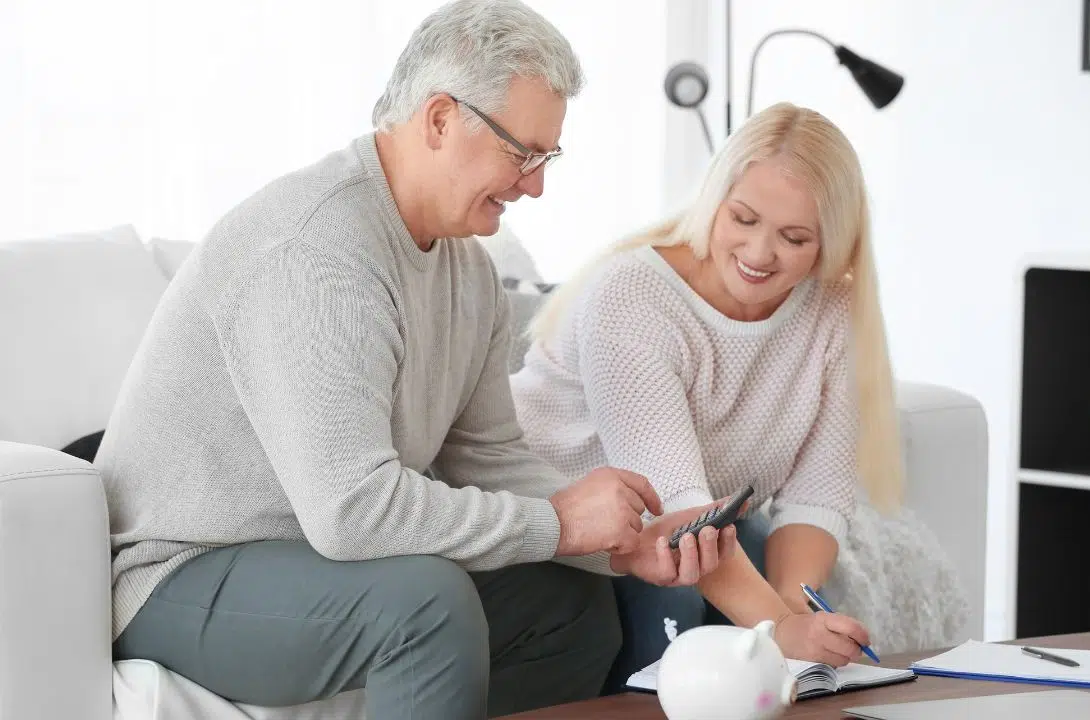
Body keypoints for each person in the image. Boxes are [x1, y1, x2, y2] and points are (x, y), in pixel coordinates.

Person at [97, 1, 734, 718]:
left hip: (315, 561)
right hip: (181, 574)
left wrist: (619, 546)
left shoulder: (471, 274)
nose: (535, 184)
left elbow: (487, 459)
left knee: (567, 604)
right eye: (523, 153)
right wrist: (558, 525)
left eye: (547, 157)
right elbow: (353, 512)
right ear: (439, 120)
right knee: (425, 604)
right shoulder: (316, 250)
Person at [509, 101, 906, 692]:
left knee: (752, 553)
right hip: (560, 525)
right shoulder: (631, 296)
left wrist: (796, 623)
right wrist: (776, 629)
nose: (759, 254)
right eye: (742, 219)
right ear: (712, 200)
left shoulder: (833, 309)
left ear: (831, 244)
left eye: (794, 237)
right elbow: (674, 507)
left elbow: (816, 497)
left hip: (689, 528)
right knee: (676, 605)